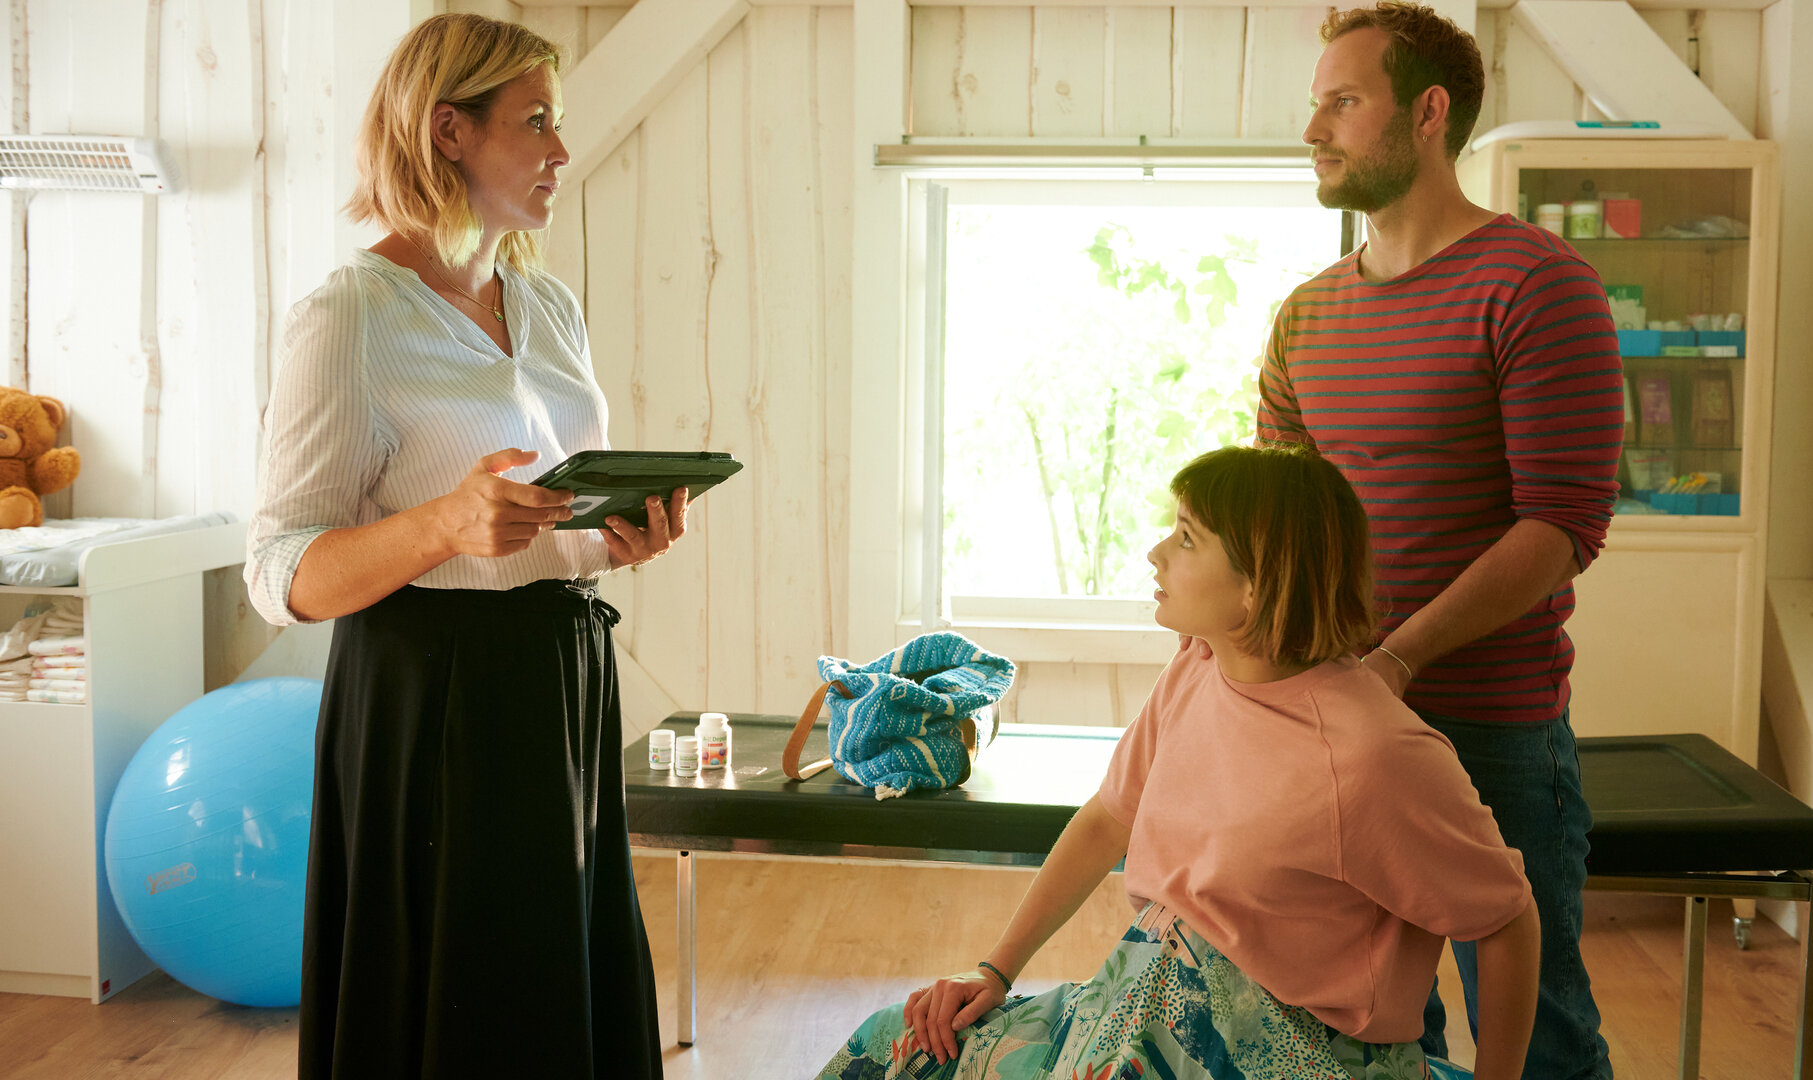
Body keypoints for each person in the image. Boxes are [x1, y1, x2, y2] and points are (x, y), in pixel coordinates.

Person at [244, 14, 685, 1078]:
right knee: (468, 999)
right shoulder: (348, 315)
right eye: (535, 122)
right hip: (429, 694)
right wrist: (442, 521)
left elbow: (544, 516)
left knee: (557, 972)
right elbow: (278, 571)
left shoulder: (547, 304)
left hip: (563, 673)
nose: (560, 152)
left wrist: (616, 536)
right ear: (449, 131)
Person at [817, 445, 1541, 1080]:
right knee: (898, 1046)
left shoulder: (1372, 756)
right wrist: (996, 969)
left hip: (1281, 1053)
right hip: (1141, 1011)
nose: (1156, 554)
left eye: (1187, 538)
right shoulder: (1199, 668)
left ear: (1258, 584)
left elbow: (1506, 920)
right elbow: (1108, 819)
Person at [1257, 4, 1625, 1077]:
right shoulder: (1304, 315)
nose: (1314, 128)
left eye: (1341, 100)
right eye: (1314, 102)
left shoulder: (1537, 285)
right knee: (1375, 1027)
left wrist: (1398, 658)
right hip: (1339, 721)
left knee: (1541, 1027)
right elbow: (1279, 526)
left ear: (1426, 113)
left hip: (1493, 728)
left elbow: (1560, 527)